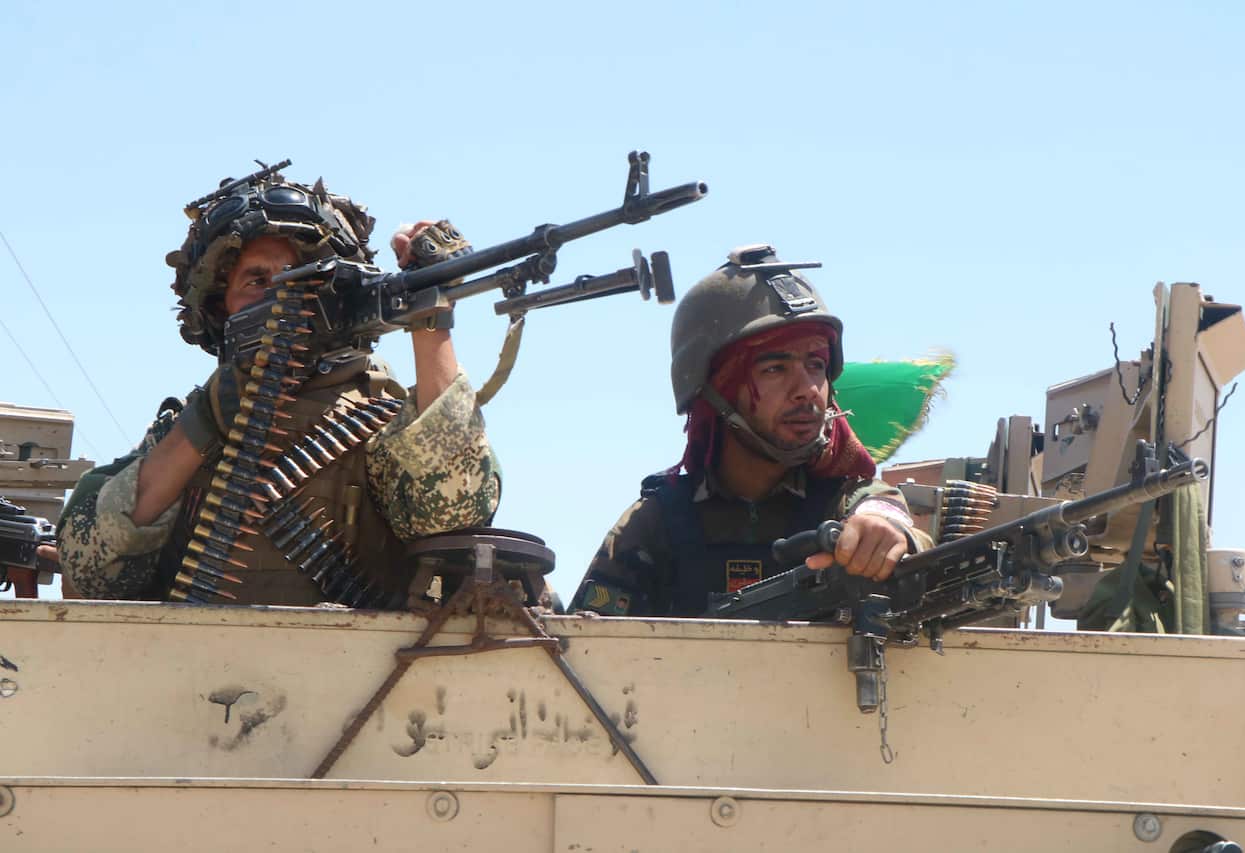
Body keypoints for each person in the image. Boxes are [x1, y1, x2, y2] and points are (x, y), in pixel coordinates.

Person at [58, 167, 500, 607]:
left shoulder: (380, 421)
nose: (281, 296)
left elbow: (456, 514)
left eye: (300, 277)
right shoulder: (192, 425)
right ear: (221, 308)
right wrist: (205, 423)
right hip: (196, 650)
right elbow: (91, 570)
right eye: (257, 281)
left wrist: (430, 315)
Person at [571, 244, 931, 617]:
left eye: (815, 365)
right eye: (775, 369)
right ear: (717, 391)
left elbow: (892, 520)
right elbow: (584, 639)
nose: (807, 389)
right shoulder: (658, 521)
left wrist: (888, 534)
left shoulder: (848, 499)